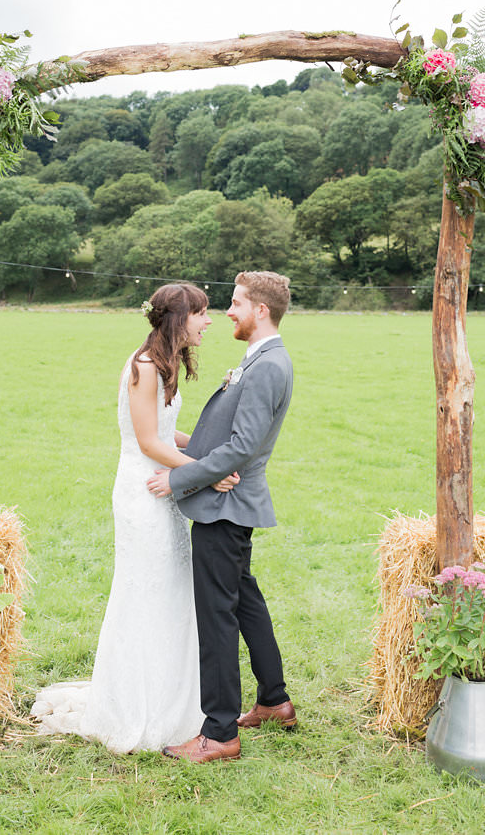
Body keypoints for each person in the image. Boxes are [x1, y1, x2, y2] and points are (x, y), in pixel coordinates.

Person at [31, 282, 236, 752]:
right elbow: (147, 442)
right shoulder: (145, 366)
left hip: (162, 488)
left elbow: (167, 433)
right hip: (143, 493)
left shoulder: (164, 364)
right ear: (179, 318)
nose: (209, 322)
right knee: (145, 591)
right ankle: (139, 709)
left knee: (170, 591)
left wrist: (205, 448)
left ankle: (173, 701)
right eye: (202, 313)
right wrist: (208, 470)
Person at [147, 270, 295, 764]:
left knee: (216, 617)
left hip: (225, 506)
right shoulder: (259, 359)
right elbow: (228, 437)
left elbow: (243, 446)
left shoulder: (270, 365)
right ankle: (274, 699)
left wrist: (178, 478)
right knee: (245, 600)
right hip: (231, 503)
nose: (228, 313)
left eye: (235, 303)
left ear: (261, 311)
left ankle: (219, 732)